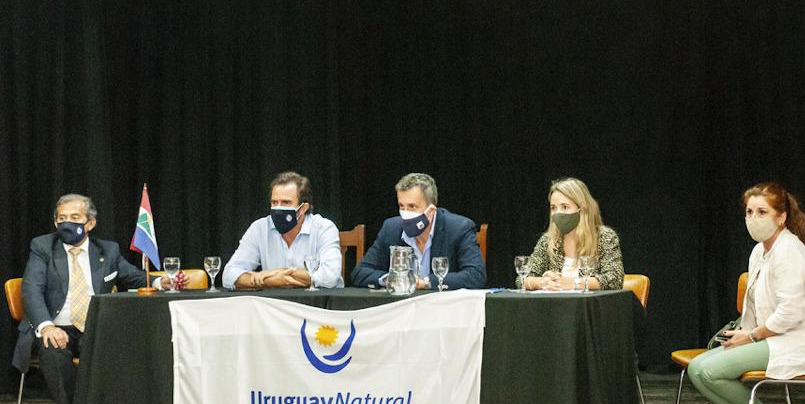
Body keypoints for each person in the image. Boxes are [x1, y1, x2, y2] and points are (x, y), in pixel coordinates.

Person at [688, 182, 805, 404]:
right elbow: (754, 307)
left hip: (797, 341)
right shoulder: (759, 252)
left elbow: (790, 313)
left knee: (708, 370)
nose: (753, 219)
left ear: (781, 217)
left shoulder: (790, 251)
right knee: (699, 368)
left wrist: (752, 337)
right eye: (749, 212)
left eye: (762, 212)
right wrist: (745, 334)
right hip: (770, 338)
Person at [13, 194, 174, 404]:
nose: (67, 223)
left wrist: (160, 282)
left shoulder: (108, 250)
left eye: (75, 217)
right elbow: (31, 289)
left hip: (97, 326)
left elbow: (135, 277)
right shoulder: (42, 247)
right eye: (62, 218)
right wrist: (47, 326)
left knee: (134, 344)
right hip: (57, 327)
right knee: (52, 350)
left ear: (90, 223)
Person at [351, 173, 486, 290]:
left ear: (431, 211)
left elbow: (476, 275)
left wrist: (426, 282)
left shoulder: (458, 228)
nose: (405, 213)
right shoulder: (391, 228)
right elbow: (360, 273)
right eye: (401, 206)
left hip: (443, 310)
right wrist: (390, 279)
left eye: (412, 206)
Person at [222, 171, 343, 289]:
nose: (278, 208)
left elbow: (330, 277)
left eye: (286, 203)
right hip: (272, 305)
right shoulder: (259, 228)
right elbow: (229, 275)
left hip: (316, 305)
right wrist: (269, 281)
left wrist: (277, 272)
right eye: (274, 202)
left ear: (303, 209)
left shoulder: (324, 228)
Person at [519, 177, 624, 291]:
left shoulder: (605, 237)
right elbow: (522, 279)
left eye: (565, 207)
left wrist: (573, 283)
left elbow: (614, 279)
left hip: (591, 307)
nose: (557, 213)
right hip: (555, 306)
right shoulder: (548, 240)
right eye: (553, 208)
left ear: (582, 209)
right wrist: (543, 282)